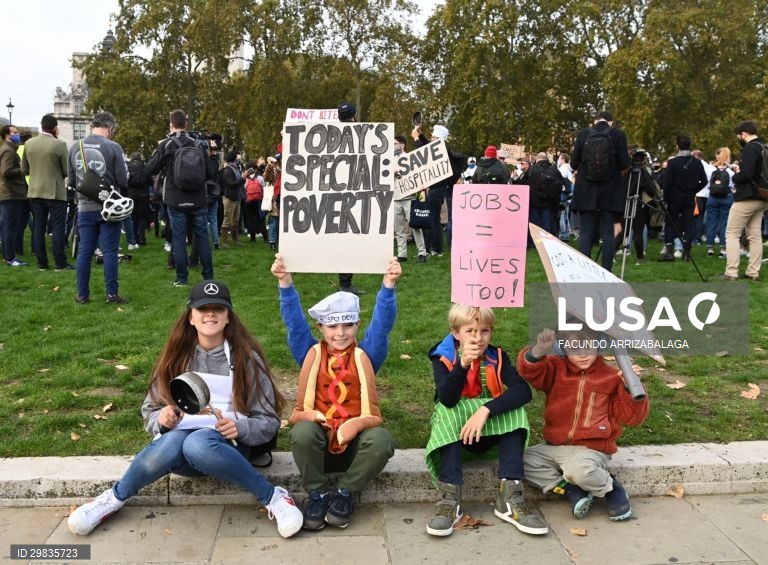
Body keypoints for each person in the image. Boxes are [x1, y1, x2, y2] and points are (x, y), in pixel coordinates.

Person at [67, 280, 303, 538]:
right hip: (179, 456)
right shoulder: (175, 357)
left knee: (198, 442)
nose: (210, 313)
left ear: (228, 318)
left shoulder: (247, 359)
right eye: (203, 309)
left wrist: (240, 426)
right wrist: (162, 418)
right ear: (191, 317)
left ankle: (272, 497)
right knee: (175, 442)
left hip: (227, 451)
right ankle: (112, 499)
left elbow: (269, 420)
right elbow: (149, 410)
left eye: (218, 309)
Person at [270, 254, 401, 531]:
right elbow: (294, 326)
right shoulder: (310, 353)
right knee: (302, 432)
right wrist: (285, 283)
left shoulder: (367, 354)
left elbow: (382, 327)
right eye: (332, 326)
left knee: (382, 441)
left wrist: (388, 286)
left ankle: (344, 493)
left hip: (356, 446)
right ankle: (316, 494)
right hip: (319, 443)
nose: (340, 333)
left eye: (348, 325)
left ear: (356, 326)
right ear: (321, 327)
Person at [424, 304, 547, 538]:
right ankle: (450, 499)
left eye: (485, 331)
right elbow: (448, 399)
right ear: (455, 333)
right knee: (448, 411)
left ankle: (510, 497)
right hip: (456, 439)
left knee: (515, 410)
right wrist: (462, 365)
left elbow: (524, 391)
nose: (478, 338)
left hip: (488, 434)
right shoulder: (442, 357)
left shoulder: (496, 355)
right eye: (470, 331)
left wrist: (485, 410)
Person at [517, 325, 649, 521]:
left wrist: (630, 387)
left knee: (579, 470)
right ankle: (571, 490)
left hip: (592, 449)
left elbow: (632, 417)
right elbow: (530, 371)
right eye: (574, 347)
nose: (583, 354)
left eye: (589, 346)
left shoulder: (611, 377)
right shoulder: (556, 369)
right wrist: (539, 350)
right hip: (555, 446)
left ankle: (611, 488)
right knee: (517, 461)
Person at [146, 109, 216, 286]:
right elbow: (210, 172)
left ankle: (182, 278)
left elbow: (149, 169)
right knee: (202, 237)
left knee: (179, 238)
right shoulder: (199, 144)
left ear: (171, 125)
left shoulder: (166, 145)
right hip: (198, 198)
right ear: (186, 124)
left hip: (175, 198)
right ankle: (208, 277)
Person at [67, 112, 129, 304]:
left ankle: (82, 295)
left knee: (85, 251)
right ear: (110, 129)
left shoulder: (75, 147)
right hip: (109, 206)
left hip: (85, 207)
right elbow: (122, 179)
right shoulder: (113, 147)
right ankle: (112, 294)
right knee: (110, 250)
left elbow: (71, 180)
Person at [570, 111, 630, 271]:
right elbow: (624, 163)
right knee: (608, 232)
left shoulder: (583, 134)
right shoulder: (618, 134)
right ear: (611, 122)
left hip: (586, 188)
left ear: (595, 121)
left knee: (586, 230)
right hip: (610, 189)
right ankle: (606, 270)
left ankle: (584, 270)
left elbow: (574, 163)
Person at [20, 114, 70, 270]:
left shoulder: (29, 144)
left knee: (38, 228)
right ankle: (60, 263)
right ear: (55, 128)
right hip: (55, 191)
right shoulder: (60, 144)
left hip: (35, 191)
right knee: (58, 228)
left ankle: (42, 262)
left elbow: (24, 169)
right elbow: (66, 170)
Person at [720, 120, 768, 281]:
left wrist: (735, 174)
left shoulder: (749, 148)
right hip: (763, 196)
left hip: (747, 196)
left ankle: (731, 272)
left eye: (739, 136)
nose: (739, 138)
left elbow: (746, 174)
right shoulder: (764, 147)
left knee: (732, 233)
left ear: (744, 134)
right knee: (755, 235)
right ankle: (753, 272)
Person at [412, 124, 466, 256]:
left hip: (438, 189)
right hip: (436, 189)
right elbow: (428, 146)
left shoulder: (442, 150)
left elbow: (424, 151)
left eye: (434, 137)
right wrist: (419, 134)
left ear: (439, 139)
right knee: (433, 219)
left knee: (434, 219)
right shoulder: (441, 147)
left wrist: (415, 139)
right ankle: (432, 247)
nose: (431, 139)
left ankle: (436, 248)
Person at [659, 135, 708, 261]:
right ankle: (687, 251)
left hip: (674, 198)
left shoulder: (673, 162)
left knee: (670, 223)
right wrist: (693, 190)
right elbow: (704, 181)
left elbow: (667, 182)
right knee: (689, 224)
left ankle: (670, 251)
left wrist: (666, 197)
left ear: (677, 146)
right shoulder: (697, 162)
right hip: (689, 197)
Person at [393, 134, 427, 263]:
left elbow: (416, 176)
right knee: (399, 228)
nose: (393, 146)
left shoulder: (410, 158)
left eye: (395, 143)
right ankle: (402, 253)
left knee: (415, 225)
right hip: (395, 197)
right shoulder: (389, 159)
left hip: (408, 196)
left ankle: (422, 252)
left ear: (402, 145)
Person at [0, 124, 29, 267]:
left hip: (10, 193)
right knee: (9, 226)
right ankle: (10, 257)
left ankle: (7, 256)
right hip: (11, 194)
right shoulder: (8, 151)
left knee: (7, 225)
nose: (18, 135)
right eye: (15, 132)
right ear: (7, 136)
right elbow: (5, 172)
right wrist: (21, 169)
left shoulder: (8, 150)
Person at [528, 152, 565, 243]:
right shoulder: (554, 169)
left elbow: (528, 183)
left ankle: (535, 243)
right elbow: (561, 183)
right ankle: (548, 242)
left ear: (537, 159)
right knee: (547, 223)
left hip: (535, 201)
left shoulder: (533, 169)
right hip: (549, 201)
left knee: (535, 223)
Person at [705, 147, 735, 259]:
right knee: (725, 223)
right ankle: (723, 249)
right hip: (726, 197)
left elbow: (707, 183)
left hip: (712, 197)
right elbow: (733, 184)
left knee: (711, 222)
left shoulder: (709, 168)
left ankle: (710, 248)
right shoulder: (730, 170)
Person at [220, 150, 245, 247]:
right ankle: (224, 241)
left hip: (237, 197)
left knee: (235, 220)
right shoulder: (227, 170)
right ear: (234, 158)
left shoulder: (235, 168)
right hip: (230, 198)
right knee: (227, 219)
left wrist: (243, 178)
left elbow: (239, 182)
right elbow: (230, 184)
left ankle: (236, 240)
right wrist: (242, 179)